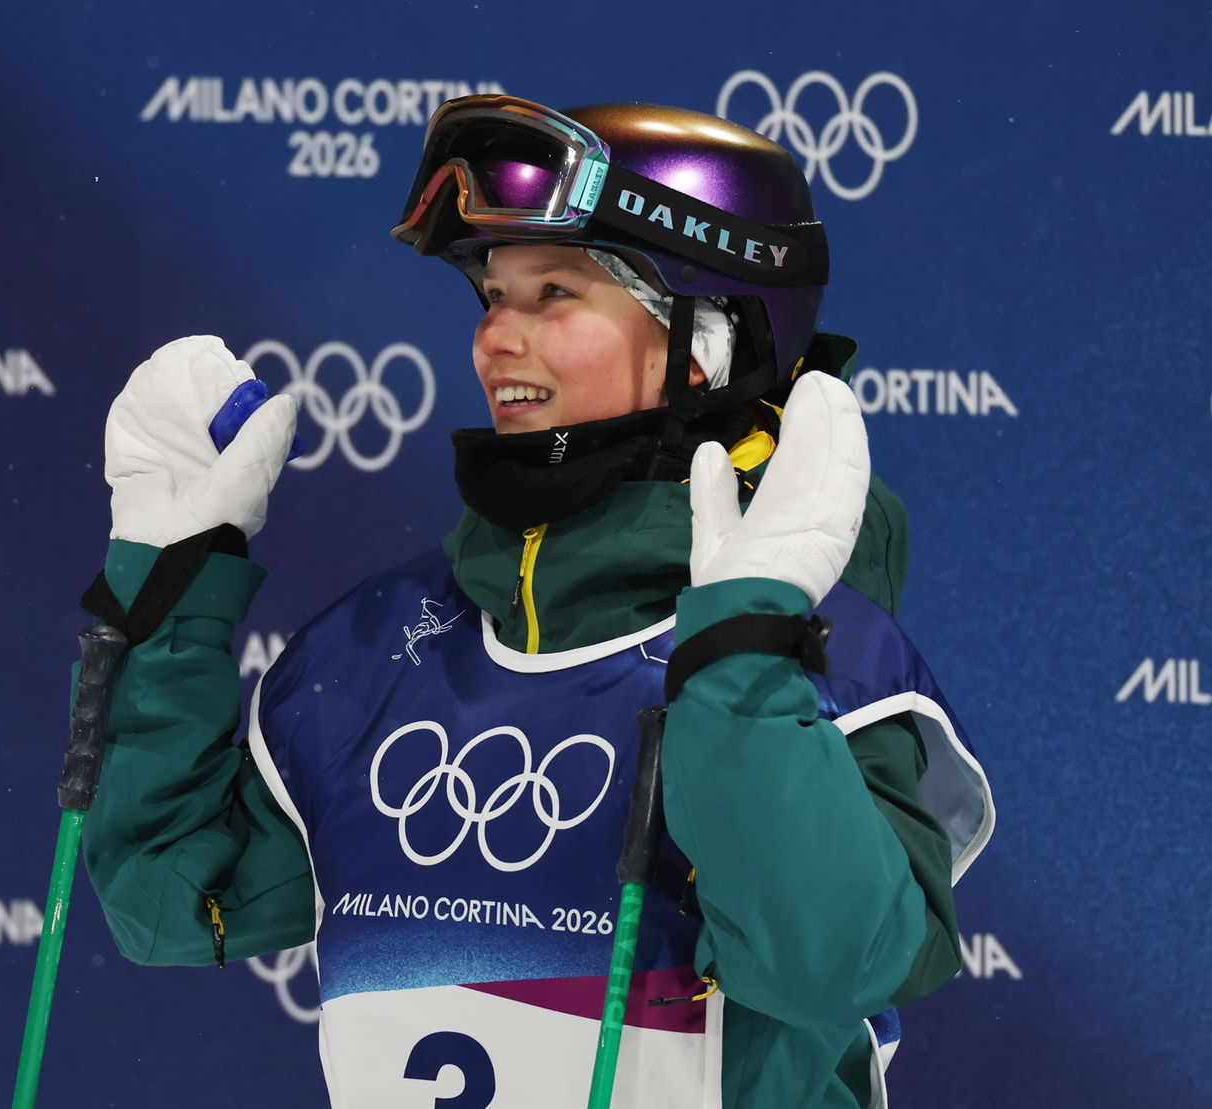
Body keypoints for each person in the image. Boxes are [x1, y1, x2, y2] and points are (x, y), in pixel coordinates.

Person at [79, 95, 994, 1109]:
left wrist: (740, 647)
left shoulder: (830, 668)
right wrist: (171, 584)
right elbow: (170, 902)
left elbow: (823, 966)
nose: (494, 340)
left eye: (553, 293)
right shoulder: (382, 645)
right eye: (488, 298)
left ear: (707, 343)